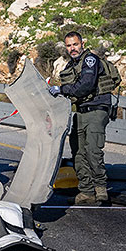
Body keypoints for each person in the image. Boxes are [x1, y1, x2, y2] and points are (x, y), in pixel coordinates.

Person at [49, 31, 112, 205]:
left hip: (97, 110)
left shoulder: (90, 60)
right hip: (81, 111)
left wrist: (61, 90)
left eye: (75, 44)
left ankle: (100, 188)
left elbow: (86, 85)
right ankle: (86, 191)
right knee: (78, 152)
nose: (72, 48)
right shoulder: (72, 65)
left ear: (82, 43)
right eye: (69, 46)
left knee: (93, 150)